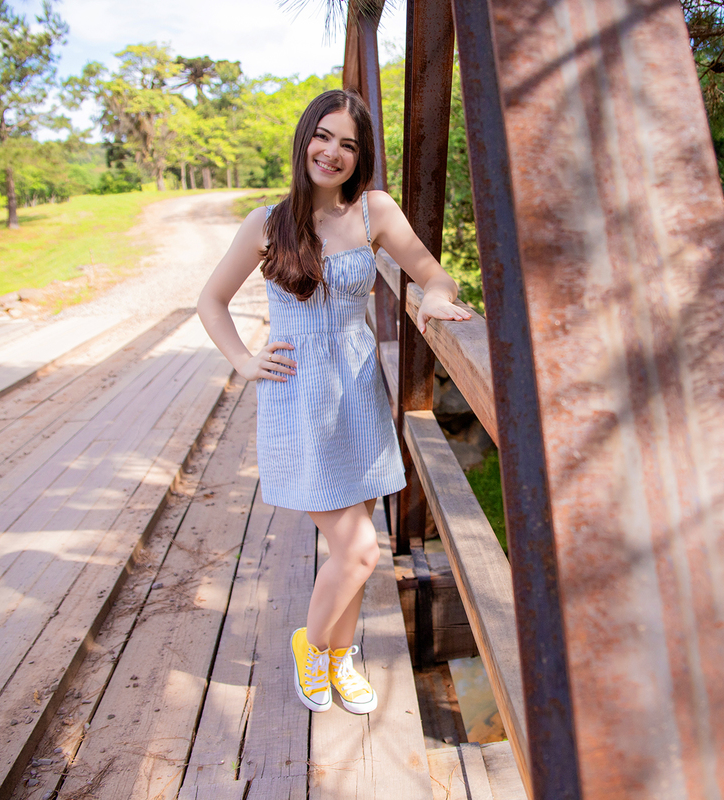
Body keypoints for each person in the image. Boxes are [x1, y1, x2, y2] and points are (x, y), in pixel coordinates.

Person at [197, 89, 470, 715]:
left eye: (348, 143)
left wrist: (433, 294)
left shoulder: (374, 211)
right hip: (300, 404)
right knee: (362, 550)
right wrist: (243, 360)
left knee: (349, 550)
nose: (333, 152)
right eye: (324, 136)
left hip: (359, 400)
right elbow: (210, 301)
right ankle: (310, 643)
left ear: (361, 155)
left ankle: (338, 659)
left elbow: (433, 272)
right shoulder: (268, 224)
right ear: (304, 140)